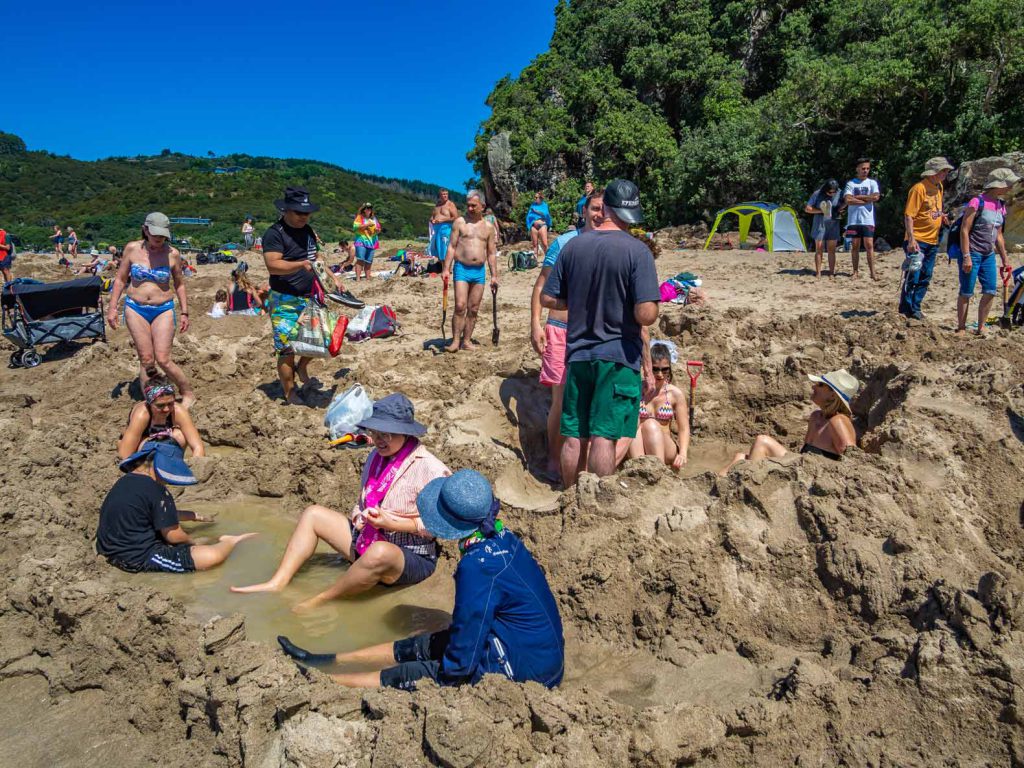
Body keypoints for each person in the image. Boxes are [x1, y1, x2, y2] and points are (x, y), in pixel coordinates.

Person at [276, 469, 564, 691]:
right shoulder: (503, 538)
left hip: (525, 673)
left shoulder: (477, 566)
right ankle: (329, 659)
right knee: (425, 643)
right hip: (540, 653)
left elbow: (462, 657)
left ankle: (326, 682)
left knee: (413, 673)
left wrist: (439, 674)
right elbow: (470, 626)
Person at [231, 394, 450, 607]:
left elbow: (442, 526)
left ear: (405, 433)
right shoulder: (375, 456)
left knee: (380, 551)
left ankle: (322, 600)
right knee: (313, 514)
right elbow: (362, 501)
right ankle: (276, 583)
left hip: (409, 555)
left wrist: (393, 524)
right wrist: (358, 516)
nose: (379, 440)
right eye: (375, 432)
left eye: (387, 434)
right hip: (368, 539)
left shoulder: (430, 468)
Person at [540, 178, 660, 486]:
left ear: (604, 209)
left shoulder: (573, 246)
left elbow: (548, 298)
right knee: (604, 436)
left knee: (573, 435)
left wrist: (580, 299)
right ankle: (598, 501)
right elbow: (645, 315)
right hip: (618, 355)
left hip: (578, 353)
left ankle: (569, 494)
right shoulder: (638, 252)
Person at [530, 187, 604, 482]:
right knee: (561, 399)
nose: (599, 214)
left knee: (590, 398)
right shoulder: (563, 243)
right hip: (561, 328)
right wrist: (535, 324)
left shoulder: (611, 244)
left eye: (604, 209)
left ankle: (581, 461)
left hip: (596, 332)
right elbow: (541, 286)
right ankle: (552, 457)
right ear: (584, 210)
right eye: (594, 208)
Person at [96, 442, 256, 573]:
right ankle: (231, 541)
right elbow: (174, 536)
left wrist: (194, 516)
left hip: (108, 549)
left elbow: (152, 513)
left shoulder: (126, 481)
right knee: (210, 556)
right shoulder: (157, 490)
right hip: (136, 557)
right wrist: (193, 543)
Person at [106, 213, 195, 408]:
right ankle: (152, 401)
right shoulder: (132, 248)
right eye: (155, 235)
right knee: (146, 358)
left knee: (163, 358)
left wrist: (185, 312)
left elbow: (179, 283)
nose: (159, 240)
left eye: (162, 236)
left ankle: (187, 392)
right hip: (135, 307)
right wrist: (112, 308)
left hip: (163, 308)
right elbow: (120, 279)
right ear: (145, 230)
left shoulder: (172, 253)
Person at [718, 369, 859, 475]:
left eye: (820, 385)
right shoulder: (816, 416)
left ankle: (747, 486)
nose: (813, 387)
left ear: (833, 394)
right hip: (802, 466)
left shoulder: (838, 420)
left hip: (816, 475)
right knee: (740, 457)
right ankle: (716, 489)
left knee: (762, 441)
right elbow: (805, 455)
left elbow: (851, 459)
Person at [261, 186, 326, 405]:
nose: (303, 217)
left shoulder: (308, 230)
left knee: (318, 339)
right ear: (286, 210)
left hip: (310, 296)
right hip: (284, 300)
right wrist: (301, 265)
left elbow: (316, 257)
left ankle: (303, 367)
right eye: (299, 212)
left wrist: (332, 279)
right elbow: (273, 266)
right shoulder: (274, 233)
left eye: (306, 213)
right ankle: (290, 394)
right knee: (287, 348)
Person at [956, 167, 1019, 336]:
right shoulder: (977, 202)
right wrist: (966, 256)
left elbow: (998, 235)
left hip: (988, 255)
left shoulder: (1000, 205)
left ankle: (981, 327)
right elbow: (964, 230)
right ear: (998, 185)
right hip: (973, 253)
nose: (1010, 187)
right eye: (1008, 184)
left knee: (990, 290)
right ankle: (961, 328)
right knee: (966, 291)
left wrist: (1005, 258)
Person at [442, 190, 499, 353]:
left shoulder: (488, 227)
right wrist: (446, 268)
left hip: (479, 271)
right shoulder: (460, 222)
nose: (470, 208)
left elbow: (491, 253)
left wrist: (494, 275)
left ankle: (466, 341)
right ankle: (455, 341)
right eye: (468, 205)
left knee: (473, 308)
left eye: (474, 205)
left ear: (482, 206)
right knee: (460, 306)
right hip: (461, 269)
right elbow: (452, 247)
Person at [899, 157, 953, 319]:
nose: (945, 173)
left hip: (933, 239)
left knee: (926, 275)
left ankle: (915, 306)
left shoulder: (939, 187)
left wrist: (941, 217)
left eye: (946, 171)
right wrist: (911, 239)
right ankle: (907, 308)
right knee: (913, 274)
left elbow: (933, 210)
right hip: (918, 240)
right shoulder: (919, 189)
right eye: (943, 170)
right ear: (933, 172)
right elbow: (909, 215)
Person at [626, 341, 689, 469]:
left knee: (650, 424)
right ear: (647, 367)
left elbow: (683, 428)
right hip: (638, 445)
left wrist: (683, 454)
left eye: (665, 369)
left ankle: (658, 471)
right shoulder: (636, 389)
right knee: (634, 427)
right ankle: (638, 470)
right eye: (655, 369)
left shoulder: (675, 394)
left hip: (666, 448)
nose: (660, 374)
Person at [118, 375, 205, 459]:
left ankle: (175, 462)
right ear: (149, 403)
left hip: (163, 441)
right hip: (142, 443)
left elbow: (197, 446)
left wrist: (197, 467)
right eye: (160, 406)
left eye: (170, 403)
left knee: (180, 436)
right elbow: (124, 454)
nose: (166, 409)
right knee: (153, 448)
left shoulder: (178, 410)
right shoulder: (142, 414)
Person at [843, 159, 881, 280]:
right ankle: (855, 271)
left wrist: (858, 197)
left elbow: (876, 197)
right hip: (853, 220)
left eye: (867, 168)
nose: (865, 171)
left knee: (869, 245)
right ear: (857, 169)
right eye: (863, 168)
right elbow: (848, 200)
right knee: (855, 246)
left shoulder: (872, 183)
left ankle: (873, 272)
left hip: (868, 219)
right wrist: (866, 200)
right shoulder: (851, 183)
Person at [804, 179, 843, 278]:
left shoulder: (839, 192)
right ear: (825, 189)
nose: (832, 194)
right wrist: (822, 211)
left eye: (834, 192)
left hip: (833, 222)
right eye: (830, 192)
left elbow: (844, 203)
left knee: (831, 249)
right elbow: (807, 209)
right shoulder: (817, 194)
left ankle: (831, 272)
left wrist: (840, 210)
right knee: (819, 248)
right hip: (820, 222)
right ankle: (818, 272)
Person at [352, 203, 381, 281]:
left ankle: (368, 277)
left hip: (371, 241)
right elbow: (355, 227)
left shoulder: (374, 218)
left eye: (370, 208)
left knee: (369, 260)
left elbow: (378, 229)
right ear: (364, 209)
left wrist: (377, 230)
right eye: (367, 208)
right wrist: (367, 224)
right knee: (360, 259)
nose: (369, 210)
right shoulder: (360, 217)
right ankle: (358, 278)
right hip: (361, 240)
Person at [429, 189, 459, 264]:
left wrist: (443, 220)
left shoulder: (450, 204)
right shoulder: (437, 205)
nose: (445, 195)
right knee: (438, 249)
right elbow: (432, 216)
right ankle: (442, 267)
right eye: (443, 194)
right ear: (440, 195)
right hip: (436, 229)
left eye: (446, 194)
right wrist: (432, 220)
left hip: (446, 228)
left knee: (445, 248)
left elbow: (455, 217)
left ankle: (448, 268)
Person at [526, 191, 552, 263]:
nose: (535, 199)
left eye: (536, 197)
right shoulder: (533, 205)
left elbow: (545, 214)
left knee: (545, 243)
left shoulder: (544, 205)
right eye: (535, 197)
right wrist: (532, 223)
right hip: (533, 226)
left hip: (542, 225)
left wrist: (536, 211)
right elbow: (529, 216)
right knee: (534, 244)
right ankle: (535, 260)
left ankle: (548, 259)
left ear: (541, 198)